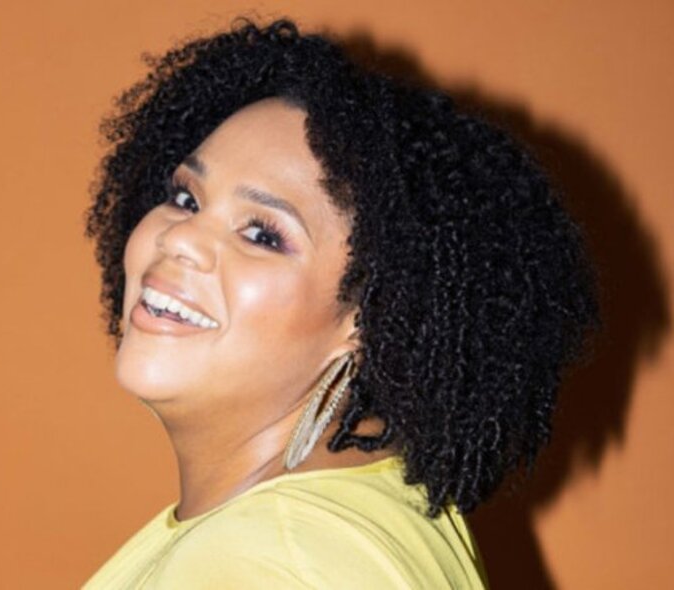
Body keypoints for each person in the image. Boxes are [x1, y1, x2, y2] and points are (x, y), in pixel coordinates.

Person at [81, 17, 600, 589]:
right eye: (185, 197)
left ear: (371, 315)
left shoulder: (263, 562)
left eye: (262, 234)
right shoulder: (374, 505)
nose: (179, 237)